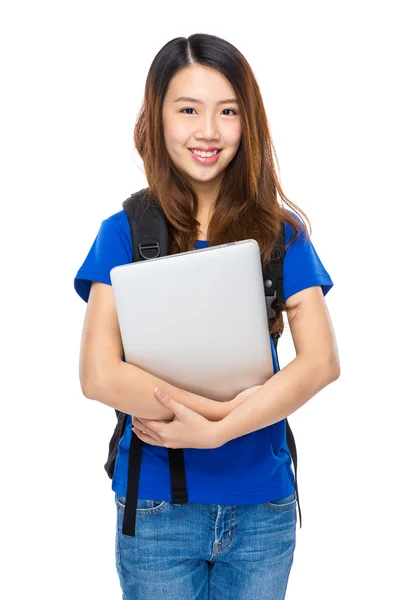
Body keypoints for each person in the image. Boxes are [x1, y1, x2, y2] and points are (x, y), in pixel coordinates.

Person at [74, 33, 340, 600]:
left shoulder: (280, 235)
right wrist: (214, 417)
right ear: (157, 116)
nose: (209, 131)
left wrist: (219, 431)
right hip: (157, 510)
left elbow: (320, 363)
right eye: (188, 110)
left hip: (264, 508)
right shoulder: (124, 233)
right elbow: (99, 375)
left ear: (249, 123)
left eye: (228, 112)